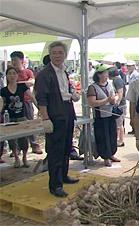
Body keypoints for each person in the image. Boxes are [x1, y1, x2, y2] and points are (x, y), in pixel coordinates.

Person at [35, 41, 80, 198]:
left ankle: (64, 176)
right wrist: (45, 118)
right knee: (55, 150)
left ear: (65, 54)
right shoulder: (44, 74)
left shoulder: (64, 71)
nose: (57, 55)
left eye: (60, 52)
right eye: (54, 53)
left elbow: (65, 90)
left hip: (67, 111)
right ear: (50, 54)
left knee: (67, 147)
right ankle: (55, 185)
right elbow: (41, 98)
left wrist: (72, 94)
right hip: (55, 115)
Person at [1, 66, 38, 168]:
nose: (12, 76)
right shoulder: (3, 90)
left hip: (22, 117)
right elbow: (1, 104)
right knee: (12, 141)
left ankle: (25, 157)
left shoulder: (22, 87)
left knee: (24, 140)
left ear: (17, 76)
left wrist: (40, 108)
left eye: (14, 73)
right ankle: (16, 158)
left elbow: (32, 97)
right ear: (6, 76)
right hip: (9, 118)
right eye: (10, 74)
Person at [87, 64, 120, 167]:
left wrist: (114, 99)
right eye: (104, 73)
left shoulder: (109, 84)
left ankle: (111, 154)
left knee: (112, 135)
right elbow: (92, 103)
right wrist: (106, 100)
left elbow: (114, 95)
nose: (106, 75)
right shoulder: (93, 87)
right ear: (99, 75)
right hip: (100, 117)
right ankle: (105, 156)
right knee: (103, 136)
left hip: (111, 114)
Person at [10, 51, 42, 154]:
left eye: (16, 60)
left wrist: (19, 84)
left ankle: (34, 145)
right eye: (12, 60)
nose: (14, 62)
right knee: (16, 125)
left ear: (22, 61)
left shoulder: (28, 72)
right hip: (14, 103)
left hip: (27, 101)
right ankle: (17, 148)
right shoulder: (11, 73)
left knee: (30, 122)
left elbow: (32, 82)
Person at [109, 66, 127, 148]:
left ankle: (120, 141)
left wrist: (117, 104)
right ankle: (119, 140)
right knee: (119, 124)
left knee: (119, 125)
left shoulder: (117, 80)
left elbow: (120, 93)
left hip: (120, 105)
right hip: (121, 105)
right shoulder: (117, 80)